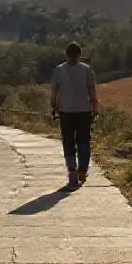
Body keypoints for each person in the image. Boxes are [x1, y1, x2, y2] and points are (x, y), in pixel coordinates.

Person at [50, 41, 99, 188]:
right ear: (80, 55)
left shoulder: (59, 69)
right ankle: (82, 169)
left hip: (66, 111)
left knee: (68, 142)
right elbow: (93, 91)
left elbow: (54, 91)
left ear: (66, 54)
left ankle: (72, 172)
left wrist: (54, 106)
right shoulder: (86, 69)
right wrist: (95, 108)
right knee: (83, 140)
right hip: (84, 110)